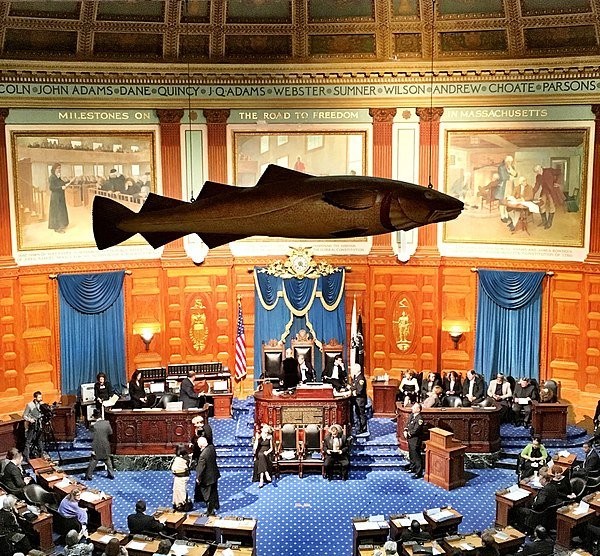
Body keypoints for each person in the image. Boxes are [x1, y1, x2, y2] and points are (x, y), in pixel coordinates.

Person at [84, 409, 115, 480]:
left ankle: (88, 476)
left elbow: (91, 432)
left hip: (97, 445)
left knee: (93, 461)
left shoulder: (94, 425)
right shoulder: (107, 423)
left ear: (94, 417)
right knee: (107, 460)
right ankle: (111, 474)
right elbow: (110, 432)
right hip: (105, 444)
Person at [533, 165, 564, 229]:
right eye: (536, 172)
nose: (538, 172)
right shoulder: (538, 177)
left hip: (552, 191)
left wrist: (557, 182)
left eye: (538, 170)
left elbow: (560, 173)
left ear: (541, 168)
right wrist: (532, 193)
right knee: (541, 205)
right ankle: (544, 221)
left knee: (552, 206)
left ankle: (549, 223)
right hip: (544, 191)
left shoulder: (549, 171)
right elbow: (537, 186)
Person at [195, 436, 220, 515]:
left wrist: (198, 478)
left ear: (200, 445)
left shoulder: (202, 455)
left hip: (207, 478)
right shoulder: (212, 448)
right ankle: (216, 505)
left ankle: (210, 511)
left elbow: (200, 469)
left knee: (207, 495)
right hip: (214, 474)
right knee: (214, 491)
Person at [48, 162, 71, 233]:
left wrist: (68, 182)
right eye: (58, 168)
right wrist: (61, 188)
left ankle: (62, 225)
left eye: (60, 168)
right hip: (55, 197)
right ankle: (57, 228)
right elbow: (51, 188)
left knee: (61, 211)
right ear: (54, 169)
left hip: (60, 196)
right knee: (57, 212)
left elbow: (61, 183)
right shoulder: (52, 177)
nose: (59, 170)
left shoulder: (57, 176)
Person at [404, 403, 425, 479]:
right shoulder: (412, 415)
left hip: (415, 439)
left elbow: (416, 429)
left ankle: (418, 472)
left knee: (416, 455)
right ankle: (412, 467)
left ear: (418, 409)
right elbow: (407, 424)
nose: (412, 408)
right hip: (410, 438)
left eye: (414, 407)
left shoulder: (420, 419)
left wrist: (409, 433)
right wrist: (405, 430)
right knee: (411, 454)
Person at [22, 391, 44, 460]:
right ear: (35, 397)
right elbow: (24, 416)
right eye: (39, 397)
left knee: (39, 440)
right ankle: (27, 457)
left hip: (39, 425)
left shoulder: (42, 404)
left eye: (41, 397)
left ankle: (41, 455)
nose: (41, 398)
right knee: (28, 441)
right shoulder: (29, 405)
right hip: (32, 425)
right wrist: (30, 420)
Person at [496, 155, 518, 224]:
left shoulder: (511, 167)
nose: (510, 162)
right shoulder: (501, 167)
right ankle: (502, 216)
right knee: (502, 202)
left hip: (509, 186)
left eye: (511, 161)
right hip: (503, 186)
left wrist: (511, 170)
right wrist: (511, 176)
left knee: (507, 201)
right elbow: (503, 177)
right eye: (508, 161)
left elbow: (516, 174)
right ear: (505, 161)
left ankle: (506, 215)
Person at [171, 444, 191, 511]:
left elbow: (174, 470)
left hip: (181, 478)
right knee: (178, 491)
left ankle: (181, 505)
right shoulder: (184, 458)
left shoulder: (180, 460)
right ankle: (179, 504)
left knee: (181, 491)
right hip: (181, 478)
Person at [252, 423, 274, 488]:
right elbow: (255, 447)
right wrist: (256, 439)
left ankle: (261, 479)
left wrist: (267, 452)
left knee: (262, 456)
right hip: (259, 451)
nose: (266, 429)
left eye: (267, 428)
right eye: (265, 428)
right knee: (261, 454)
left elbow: (271, 448)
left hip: (267, 453)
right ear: (262, 429)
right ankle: (266, 473)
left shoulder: (270, 436)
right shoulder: (259, 435)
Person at [350, 363, 368, 434]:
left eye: (353, 369)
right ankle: (359, 426)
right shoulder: (356, 377)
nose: (352, 370)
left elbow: (359, 390)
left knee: (361, 414)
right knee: (357, 414)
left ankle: (363, 428)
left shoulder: (361, 378)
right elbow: (354, 386)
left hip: (360, 400)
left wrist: (353, 392)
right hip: (356, 400)